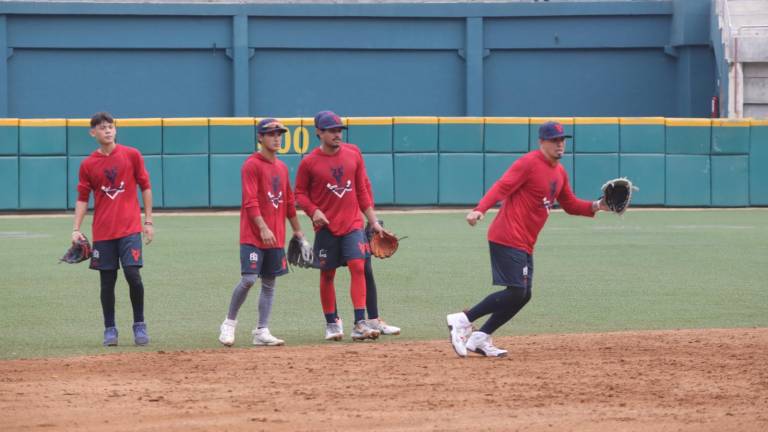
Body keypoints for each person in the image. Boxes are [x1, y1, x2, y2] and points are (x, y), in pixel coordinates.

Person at [446, 121, 610, 358]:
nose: (560, 144)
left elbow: (570, 204)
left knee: (524, 294)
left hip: (525, 242)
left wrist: (598, 205)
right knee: (516, 292)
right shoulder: (529, 163)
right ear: (541, 142)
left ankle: (480, 338)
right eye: (554, 140)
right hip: (506, 235)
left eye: (562, 140)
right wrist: (480, 209)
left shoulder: (560, 172)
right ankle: (462, 320)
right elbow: (502, 186)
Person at [294, 110, 385, 341]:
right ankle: (332, 323)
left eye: (339, 130)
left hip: (352, 223)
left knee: (358, 266)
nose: (337, 134)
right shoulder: (309, 162)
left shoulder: (353, 154)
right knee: (327, 274)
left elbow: (361, 190)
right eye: (332, 130)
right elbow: (300, 194)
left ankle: (360, 323)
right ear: (319, 132)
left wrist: (373, 221)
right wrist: (313, 211)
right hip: (326, 228)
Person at [218, 118, 306, 347]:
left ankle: (261, 330)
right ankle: (229, 323)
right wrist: (263, 227)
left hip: (276, 237)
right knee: (248, 279)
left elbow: (289, 203)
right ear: (260, 137)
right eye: (271, 134)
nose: (277, 138)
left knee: (269, 284)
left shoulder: (282, 168)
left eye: (279, 134)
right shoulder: (251, 165)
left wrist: (298, 231)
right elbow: (250, 201)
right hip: (253, 236)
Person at [72, 111, 154, 347]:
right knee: (107, 282)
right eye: (102, 127)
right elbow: (82, 198)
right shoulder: (88, 164)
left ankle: (139, 324)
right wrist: (76, 228)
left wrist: (148, 221)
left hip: (130, 229)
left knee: (133, 275)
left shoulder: (132, 155)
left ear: (115, 129)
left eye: (110, 126)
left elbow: (145, 187)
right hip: (103, 232)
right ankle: (110, 329)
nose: (107, 130)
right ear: (93, 133)